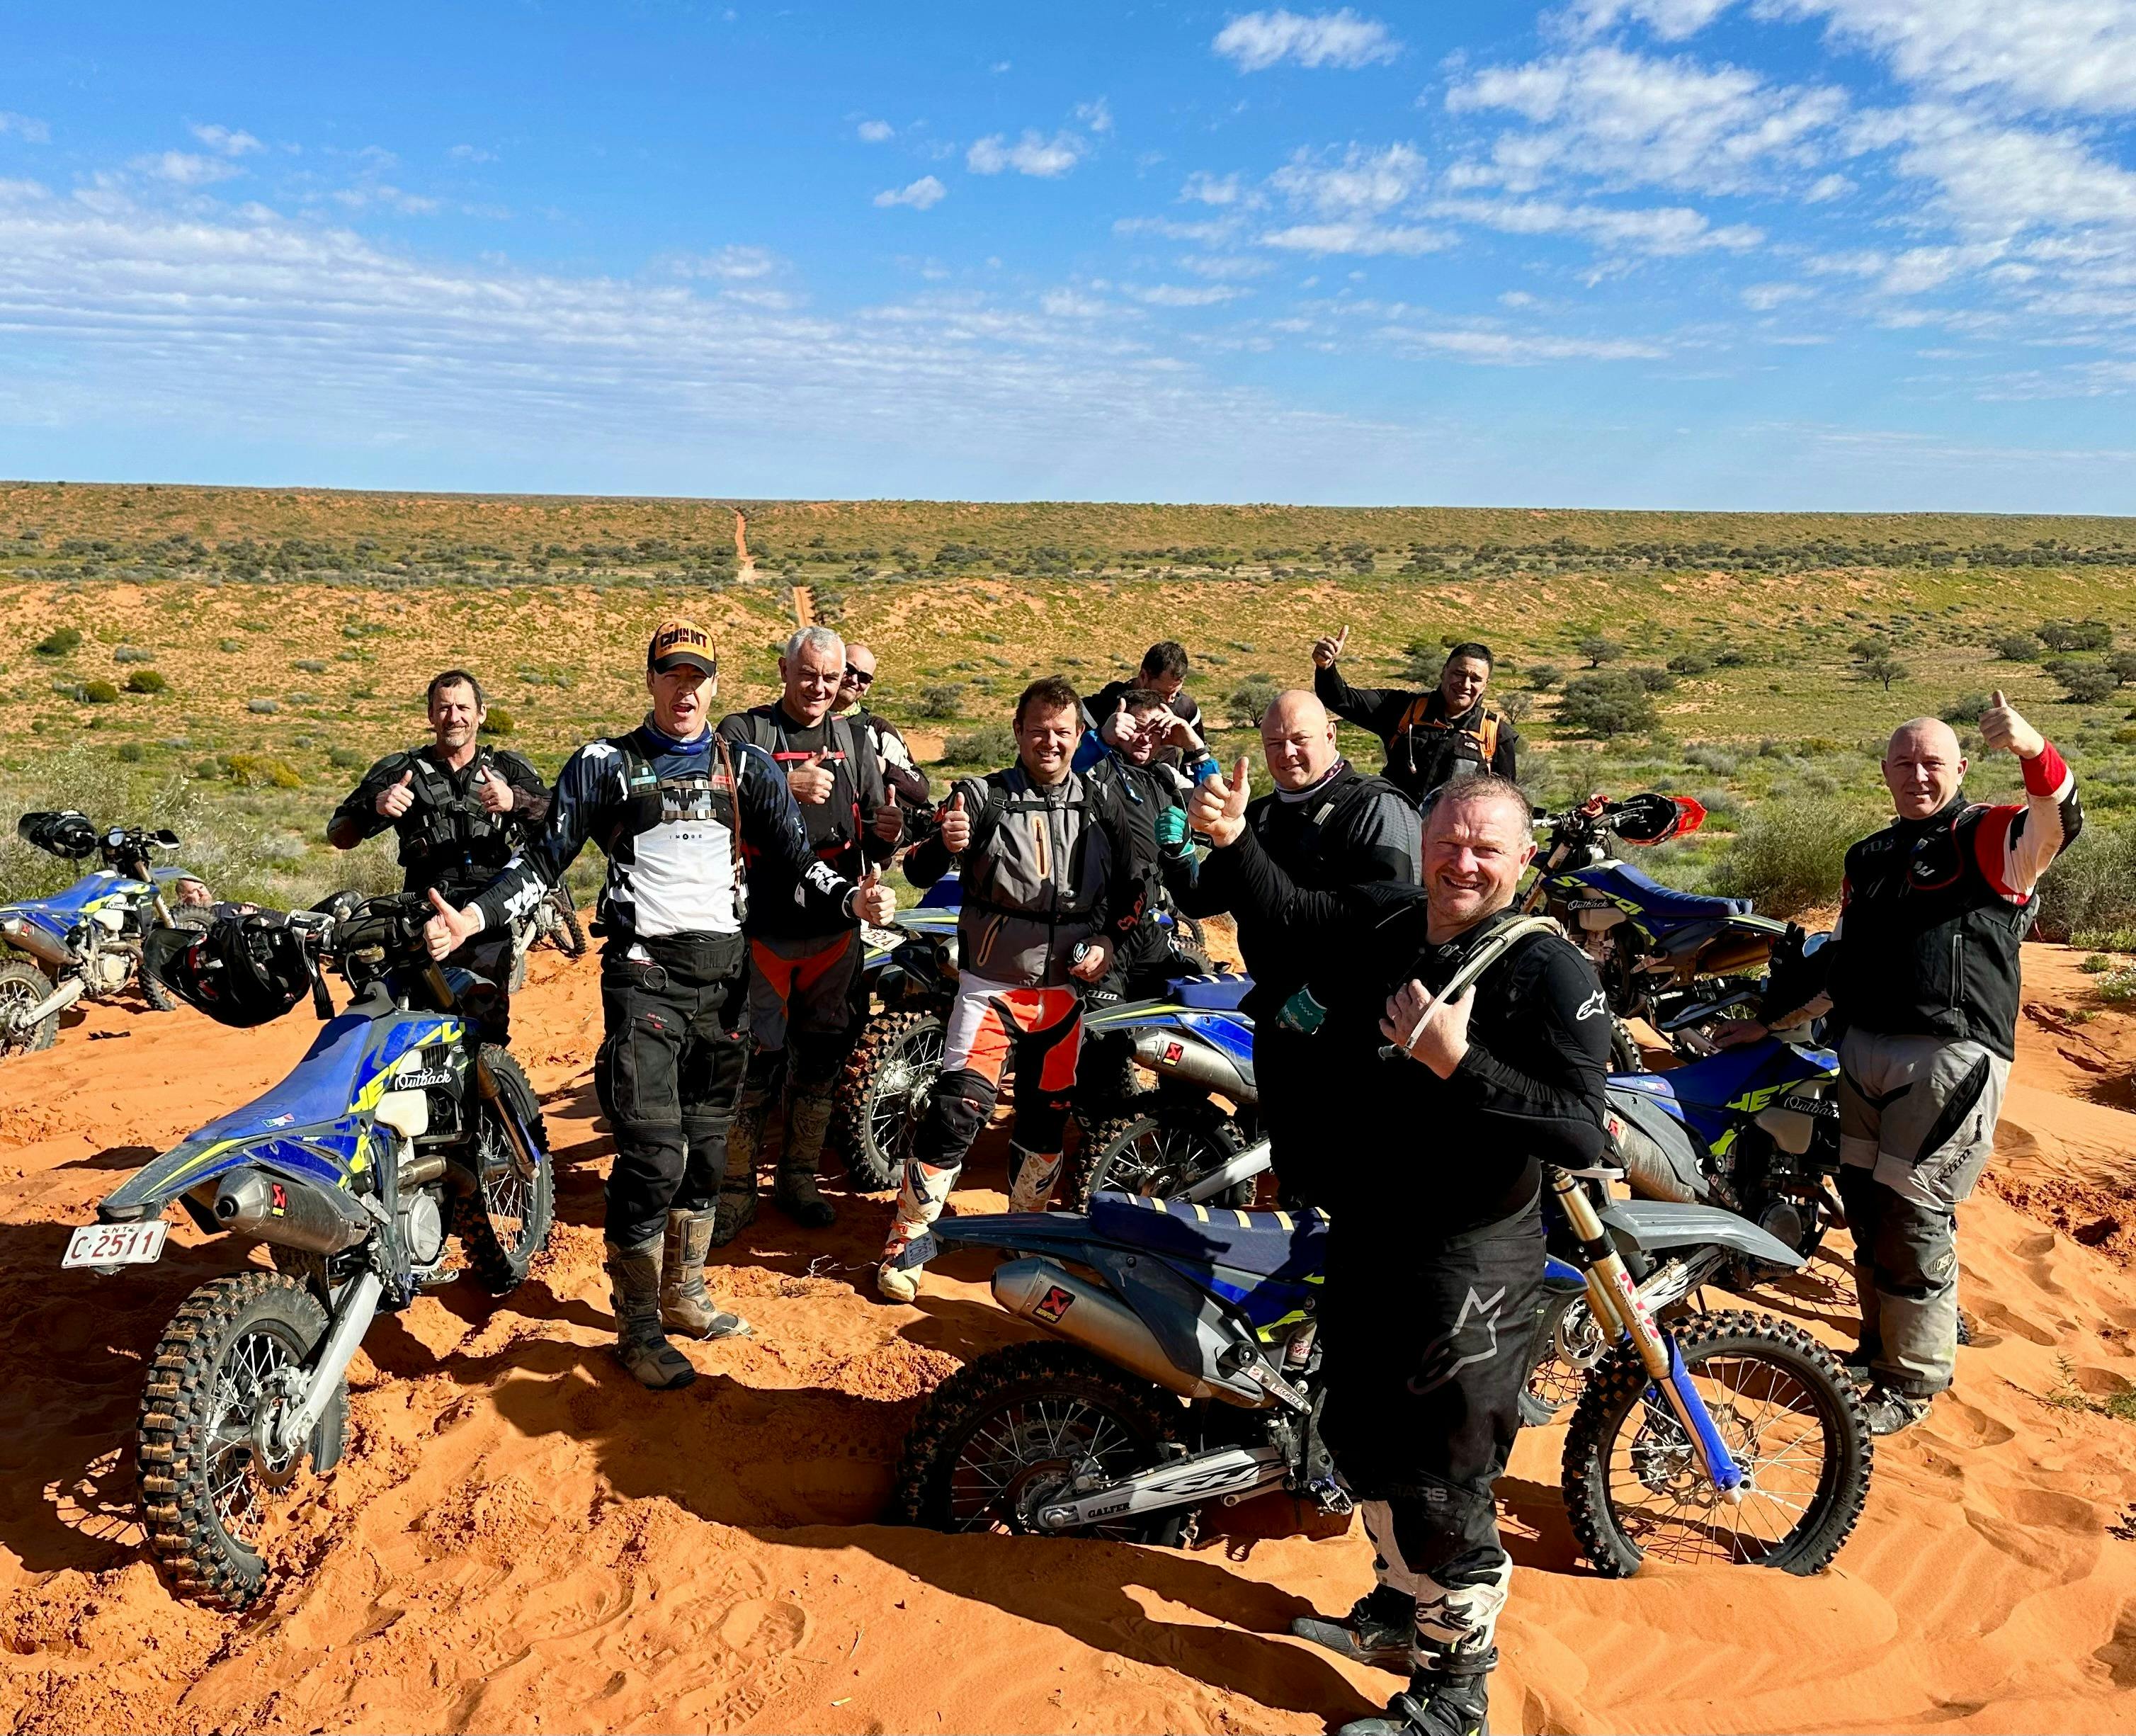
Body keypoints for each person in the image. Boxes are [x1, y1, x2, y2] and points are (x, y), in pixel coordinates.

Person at [1188, 766, 1609, 1736]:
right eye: (1449, 840)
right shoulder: (1390, 917)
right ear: (1423, 841)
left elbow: (1582, 1131)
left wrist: (1460, 1061)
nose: (1463, 861)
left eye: (1486, 848)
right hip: (1375, 1233)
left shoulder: (1548, 971)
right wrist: (1231, 842)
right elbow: (1289, 911)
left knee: (1441, 1477)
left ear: (1522, 858)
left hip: (1466, 1260)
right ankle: (1399, 1607)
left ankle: (1455, 1694)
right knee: (1360, 1435)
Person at [423, 620, 897, 1392]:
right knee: (653, 1156)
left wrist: (851, 900)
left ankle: (682, 1293)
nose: (686, 690)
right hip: (644, 978)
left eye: (699, 677)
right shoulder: (605, 764)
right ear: (650, 681)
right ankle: (636, 1326)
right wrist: (473, 918)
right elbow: (545, 863)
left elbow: (796, 860)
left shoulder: (744, 765)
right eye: (672, 675)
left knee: (708, 1154)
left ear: (715, 686)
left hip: (726, 982)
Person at [1720, 691, 2080, 1437]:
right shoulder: (1869, 856)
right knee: (1868, 1208)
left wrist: (2029, 747)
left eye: (1932, 762)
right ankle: (1876, 1348)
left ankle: (1911, 1380)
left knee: (1913, 1211)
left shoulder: (1987, 837)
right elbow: (1843, 964)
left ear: (1957, 767)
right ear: (1884, 771)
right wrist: (1768, 1023)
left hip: (1950, 1054)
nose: (1918, 775)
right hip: (1864, 1048)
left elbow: (2057, 820)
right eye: (1905, 762)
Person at [876, 676, 1143, 1303]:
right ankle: (908, 1238)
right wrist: (945, 843)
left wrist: (1108, 943)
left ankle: (1026, 1235)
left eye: (1062, 732)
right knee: (957, 1109)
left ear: (1080, 736)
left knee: (1047, 1118)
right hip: (992, 986)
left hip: (1064, 993)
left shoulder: (1103, 801)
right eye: (1037, 730)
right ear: (1018, 732)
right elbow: (917, 869)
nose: (1049, 742)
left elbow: (1138, 887)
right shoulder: (982, 796)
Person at [1176, 689, 1419, 1205]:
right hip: (1279, 1019)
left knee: (1354, 1177)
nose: (1287, 753)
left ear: (1331, 734)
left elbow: (1392, 929)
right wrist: (1177, 845)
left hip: (1353, 1028)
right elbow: (1198, 899)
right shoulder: (1261, 816)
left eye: (1299, 739)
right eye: (1274, 743)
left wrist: (1327, 994)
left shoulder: (1378, 808)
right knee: (1296, 1166)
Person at [715, 626, 902, 1241]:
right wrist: (780, 785)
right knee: (753, 1065)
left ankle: (797, 1179)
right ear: (783, 670)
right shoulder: (746, 734)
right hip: (765, 930)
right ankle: (737, 1191)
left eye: (831, 676)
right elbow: (710, 796)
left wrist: (889, 836)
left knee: (822, 1061)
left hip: (834, 932)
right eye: (807, 674)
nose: (819, 687)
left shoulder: (853, 738)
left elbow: (874, 838)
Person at [327, 669, 550, 1043]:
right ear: (431, 715)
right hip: (421, 920)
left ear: (481, 713)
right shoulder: (401, 771)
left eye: (463, 707)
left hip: (487, 918)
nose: (454, 716)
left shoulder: (508, 768)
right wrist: (375, 807)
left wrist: (517, 801)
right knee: (421, 1028)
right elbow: (340, 834)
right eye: (444, 708)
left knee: (486, 1031)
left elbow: (560, 818)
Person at [1075, 688, 1218, 1004]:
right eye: (1135, 729)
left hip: (1150, 918)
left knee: (1174, 1016)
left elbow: (1215, 798)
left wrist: (1194, 745)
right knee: (1103, 1032)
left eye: (1154, 731)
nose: (1144, 739)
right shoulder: (1100, 768)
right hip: (1103, 918)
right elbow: (1064, 772)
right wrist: (1103, 737)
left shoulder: (1164, 775)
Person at [1311, 629, 1518, 805]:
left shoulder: (1497, 735)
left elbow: (1507, 803)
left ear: (1485, 686)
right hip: (1395, 830)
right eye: (1459, 674)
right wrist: (1326, 667)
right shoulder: (1403, 708)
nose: (1465, 684)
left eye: (1475, 679)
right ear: (1444, 672)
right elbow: (1341, 699)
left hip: (1453, 841)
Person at [836, 642, 933, 825]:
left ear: (867, 688)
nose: (854, 680)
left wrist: (883, 766)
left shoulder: (877, 729)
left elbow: (920, 789)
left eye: (864, 677)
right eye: (848, 669)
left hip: (869, 844)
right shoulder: (808, 720)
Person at [1082, 641, 1203, 768]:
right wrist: (1104, 736)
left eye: (1175, 693)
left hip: (1165, 783)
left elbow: (1195, 757)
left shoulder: (1186, 709)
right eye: (1162, 693)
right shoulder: (1106, 702)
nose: (1170, 701)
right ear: (1143, 676)